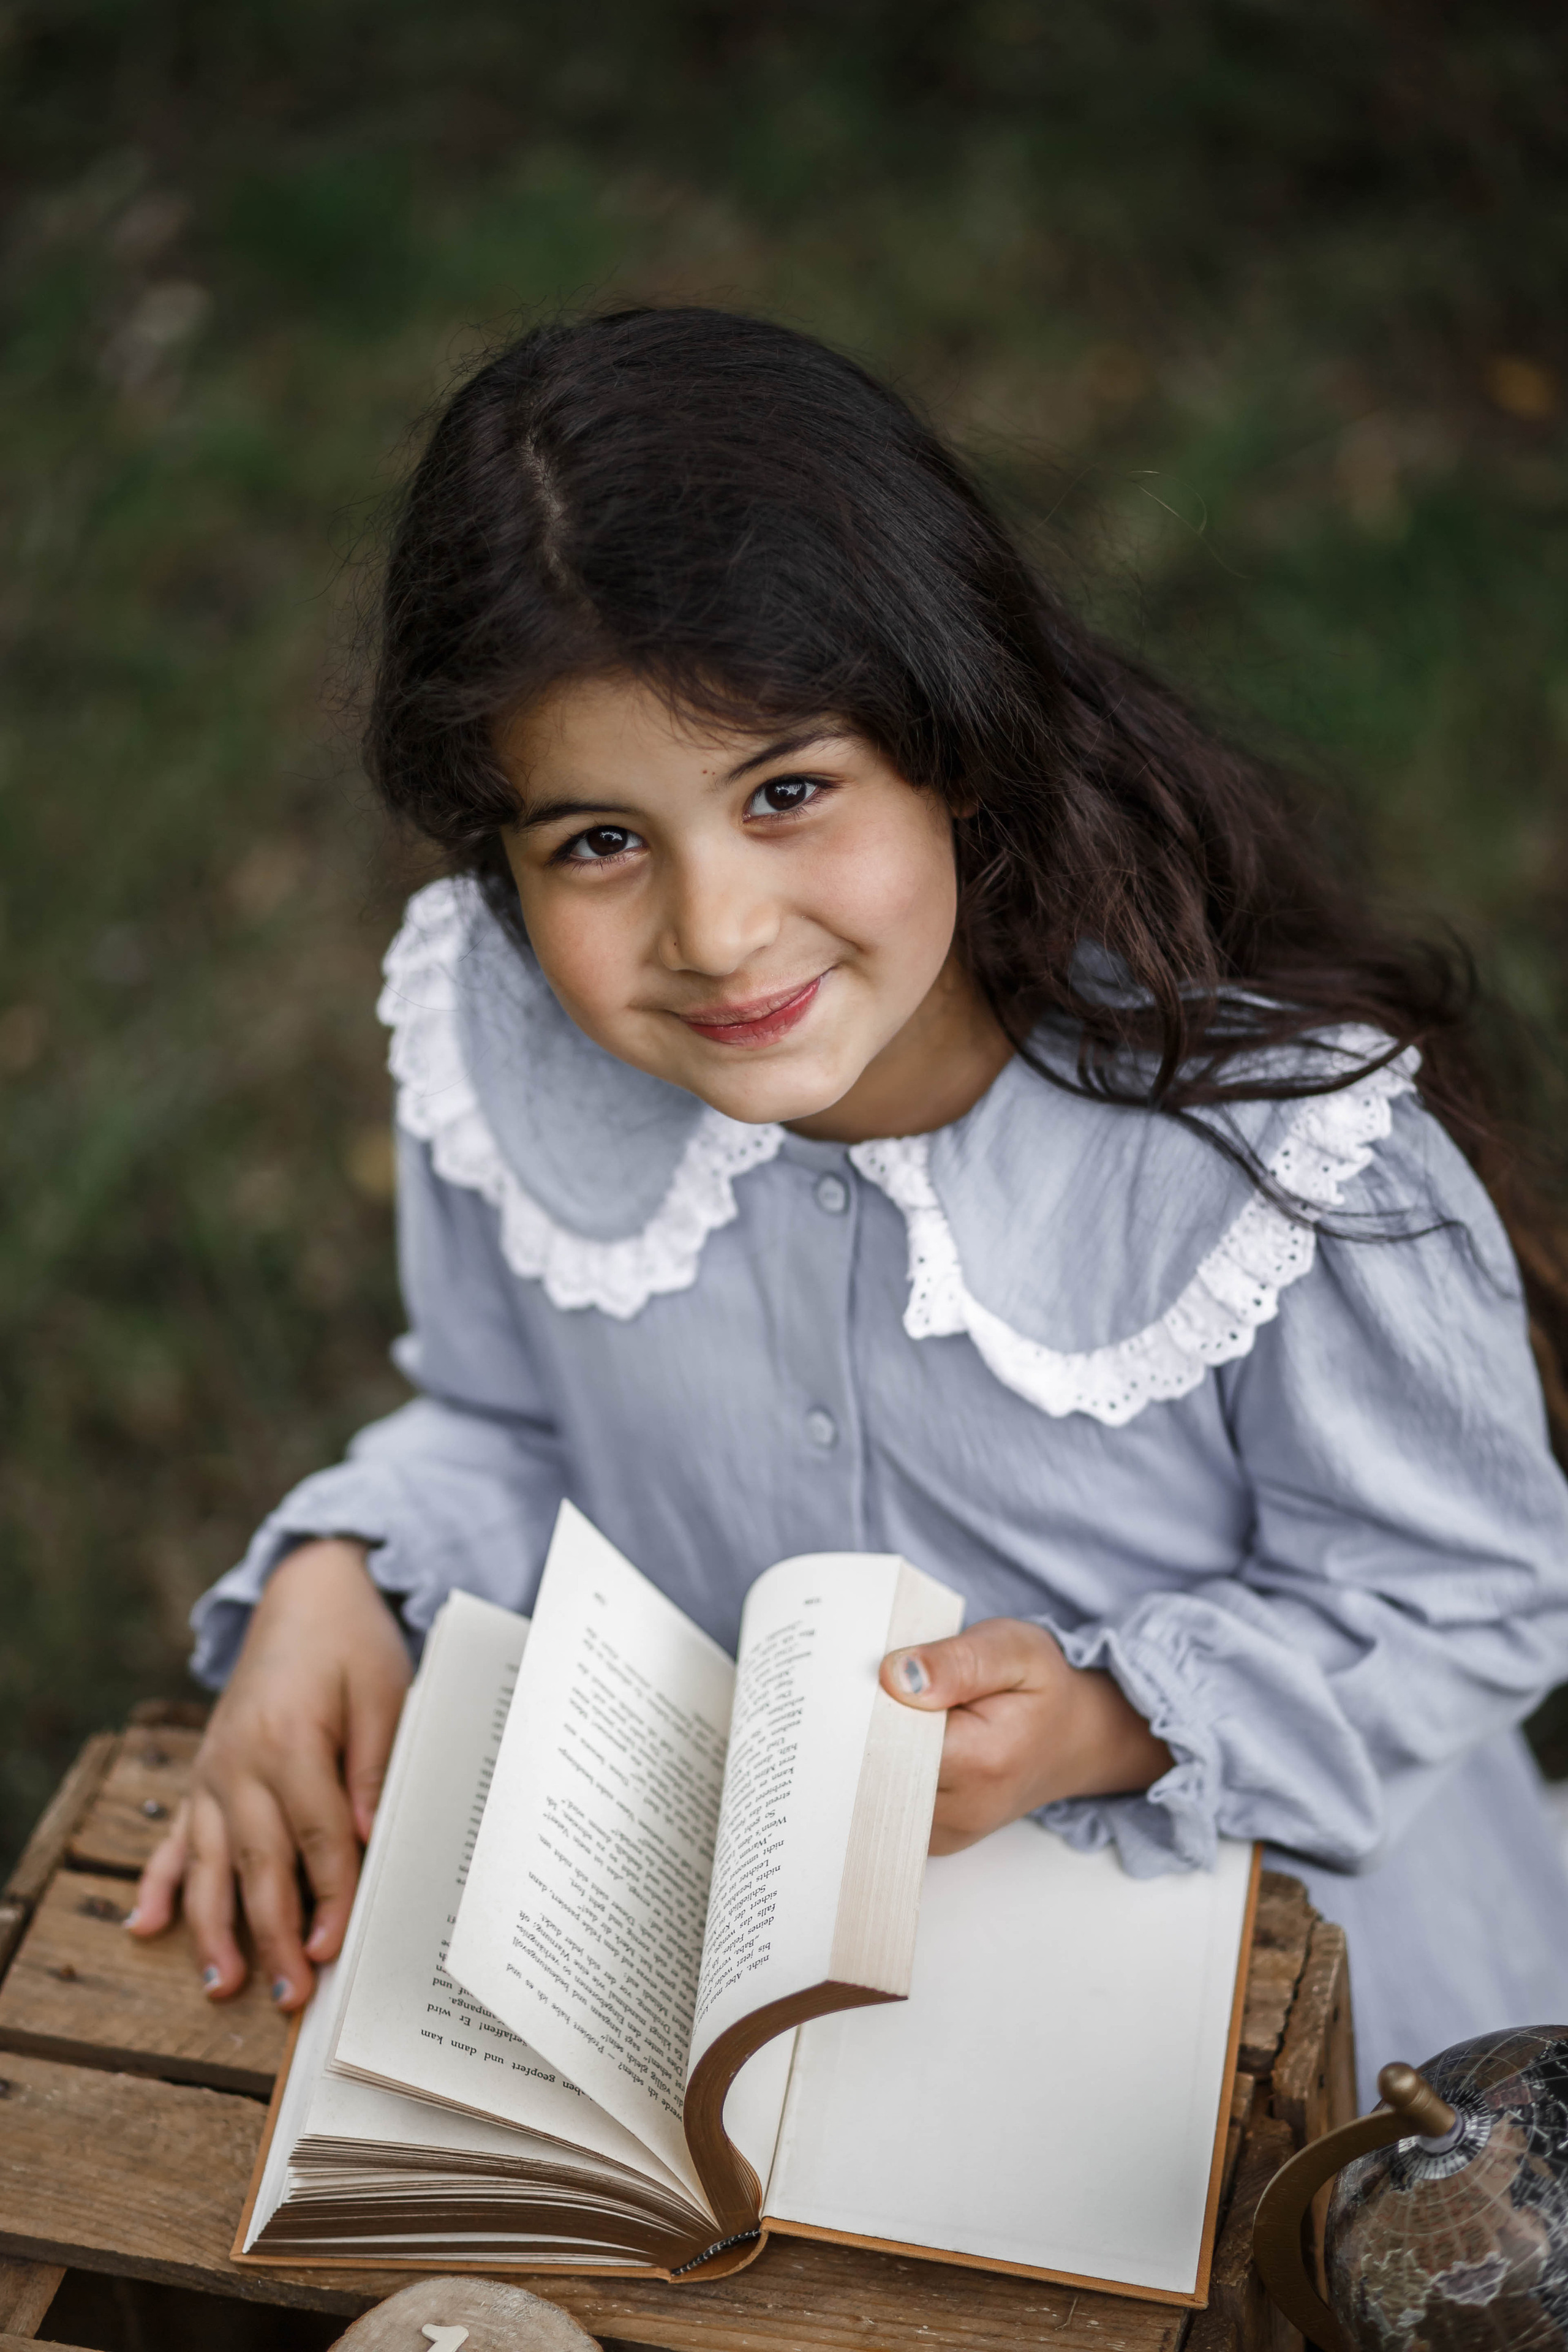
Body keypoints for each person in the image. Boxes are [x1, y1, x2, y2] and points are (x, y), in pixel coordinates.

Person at [129, 308, 1568, 2103]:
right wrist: (346, 1572)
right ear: (495, 856)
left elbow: (1471, 1597)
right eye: (596, 840)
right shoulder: (509, 1045)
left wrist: (1112, 1728)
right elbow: (515, 1419)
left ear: (952, 737)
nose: (715, 932)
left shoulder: (1270, 1154)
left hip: (1264, 1985)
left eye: (788, 791)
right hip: (793, 2000)